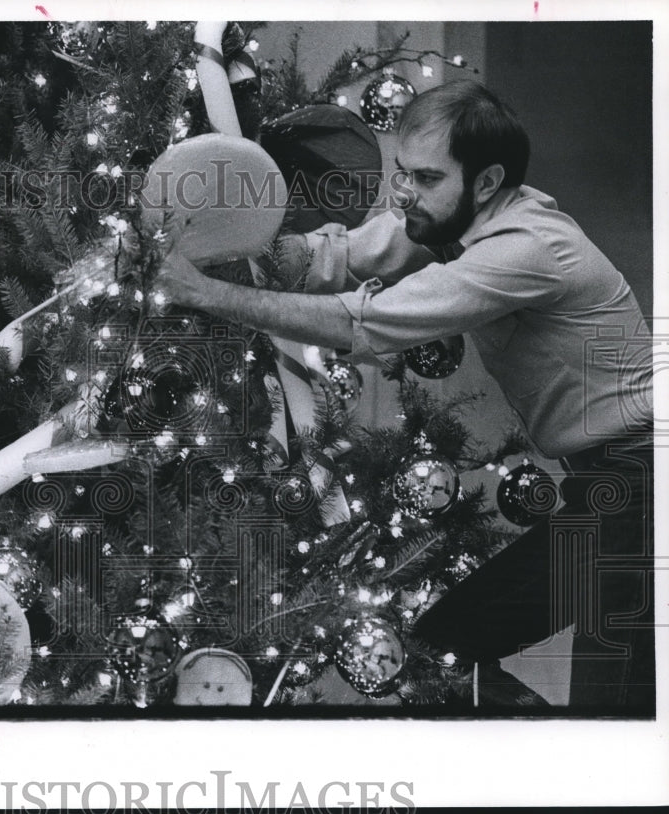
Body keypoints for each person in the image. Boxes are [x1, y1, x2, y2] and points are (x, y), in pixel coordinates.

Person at [157, 79, 655, 710]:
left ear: (485, 181)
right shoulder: (452, 217)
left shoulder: (529, 247)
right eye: (401, 173)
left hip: (644, 487)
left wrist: (205, 294)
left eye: (424, 177)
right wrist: (223, 236)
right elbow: (332, 259)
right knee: (441, 646)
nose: (402, 193)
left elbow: (361, 322)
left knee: (615, 714)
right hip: (612, 486)